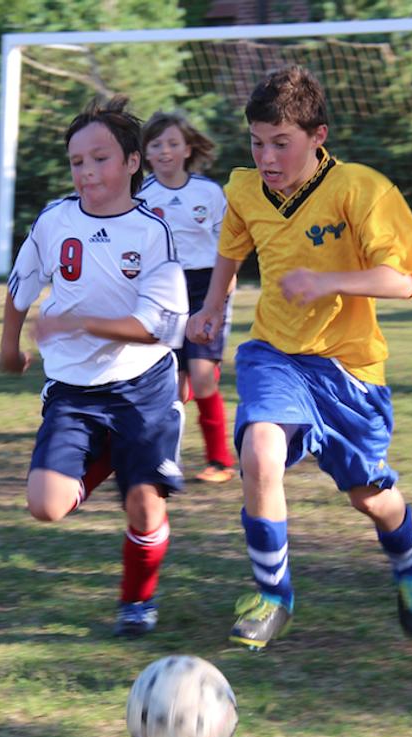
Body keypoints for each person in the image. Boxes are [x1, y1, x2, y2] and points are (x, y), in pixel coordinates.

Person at [187, 66, 412, 651]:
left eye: (281, 142)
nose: (267, 156)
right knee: (260, 449)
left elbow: (404, 279)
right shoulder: (244, 190)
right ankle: (272, 595)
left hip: (349, 372)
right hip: (275, 353)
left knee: (372, 500)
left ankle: (411, 567)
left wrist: (327, 280)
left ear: (318, 136)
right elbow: (231, 251)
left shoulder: (360, 189)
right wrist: (209, 308)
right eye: (257, 142)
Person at [0, 95, 188, 637]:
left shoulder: (154, 231)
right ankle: (115, 455)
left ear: (133, 163)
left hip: (142, 387)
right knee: (45, 506)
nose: (86, 171)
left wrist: (84, 323)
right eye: (77, 161)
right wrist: (9, 348)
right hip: (73, 389)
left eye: (100, 158)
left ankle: (136, 602)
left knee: (144, 506)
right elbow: (21, 286)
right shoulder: (55, 219)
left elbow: (158, 326)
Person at [139, 111, 237, 484]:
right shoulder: (141, 196)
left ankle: (220, 461)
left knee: (200, 377)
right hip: (163, 290)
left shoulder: (208, 192)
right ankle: (160, 458)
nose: (165, 151)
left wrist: (224, 291)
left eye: (173, 143)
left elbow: (231, 245)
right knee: (172, 385)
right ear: (145, 153)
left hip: (206, 287)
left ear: (187, 149)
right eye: (156, 144)